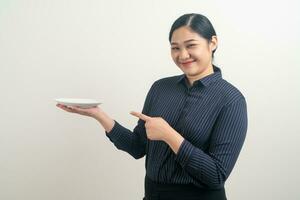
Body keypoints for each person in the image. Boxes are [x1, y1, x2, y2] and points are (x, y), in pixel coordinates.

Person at [57, 13, 247, 200]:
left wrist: (169, 135)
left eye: (191, 45)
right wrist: (98, 115)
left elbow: (216, 176)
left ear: (212, 42)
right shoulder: (161, 88)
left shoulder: (231, 100)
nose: (182, 55)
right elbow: (137, 147)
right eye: (175, 48)